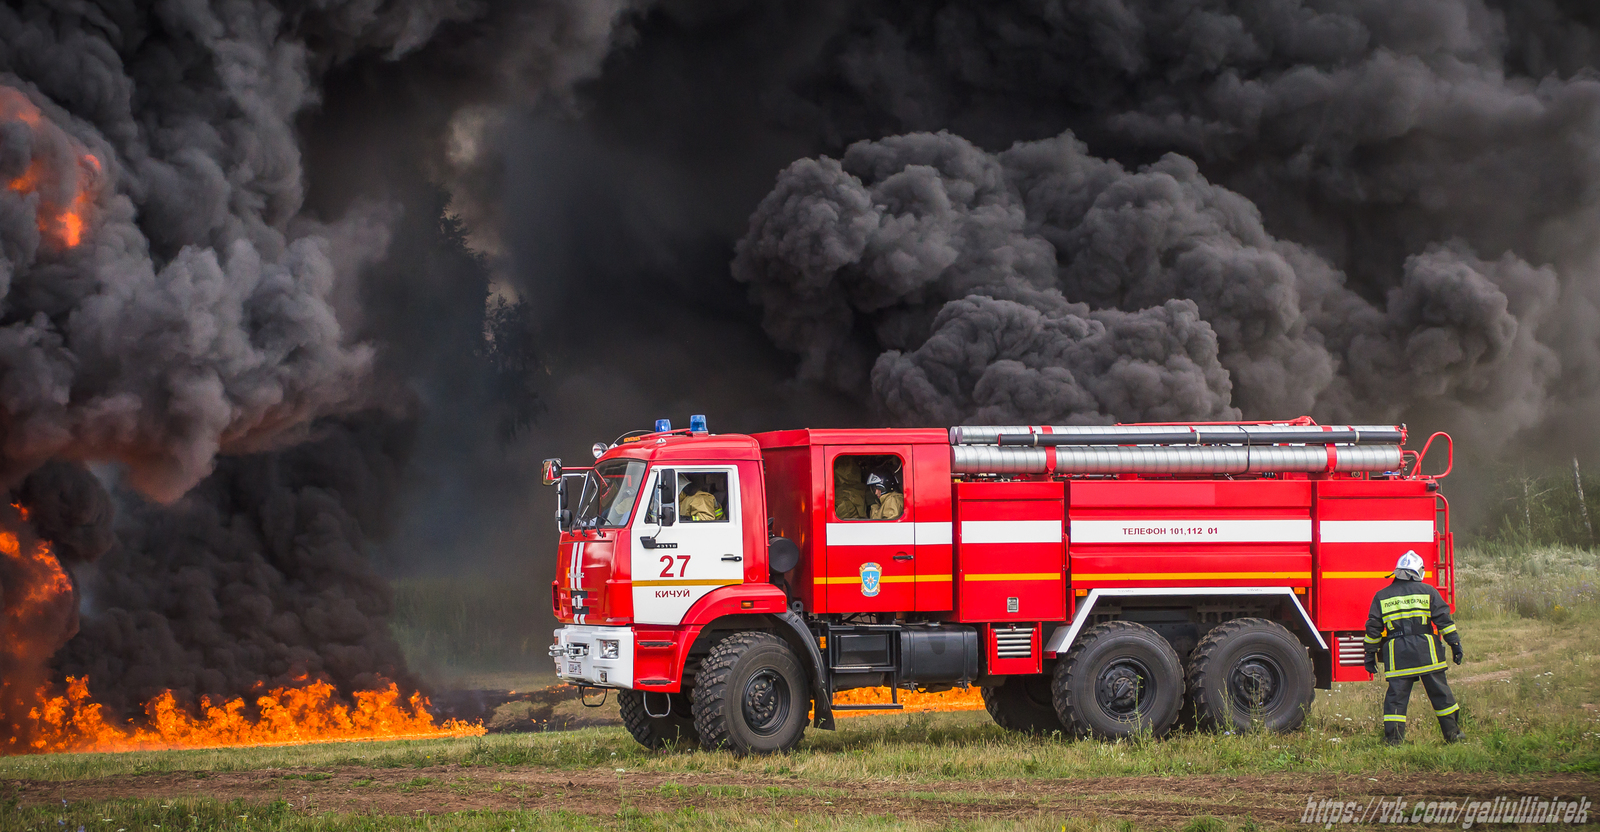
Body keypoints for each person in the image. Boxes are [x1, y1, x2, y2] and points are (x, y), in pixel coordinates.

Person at [1364, 551, 1464, 746]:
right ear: (1418, 571)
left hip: (1398, 655)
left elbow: (1373, 628)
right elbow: (1444, 621)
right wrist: (1455, 644)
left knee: (1396, 700)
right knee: (1441, 695)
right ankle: (1453, 735)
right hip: (1427, 653)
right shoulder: (1429, 591)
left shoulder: (1382, 596)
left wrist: (1369, 654)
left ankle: (1394, 741)